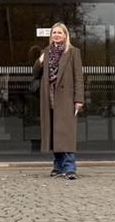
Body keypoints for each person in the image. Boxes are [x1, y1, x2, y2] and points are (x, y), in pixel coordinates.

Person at [33, 22, 84, 180]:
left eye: (59, 32)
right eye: (54, 32)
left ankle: (70, 168)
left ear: (65, 35)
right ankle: (58, 166)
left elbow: (78, 77)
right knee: (54, 131)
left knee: (66, 132)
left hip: (66, 98)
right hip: (49, 96)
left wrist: (79, 99)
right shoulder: (46, 52)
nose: (56, 35)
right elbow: (35, 73)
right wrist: (40, 60)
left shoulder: (73, 52)